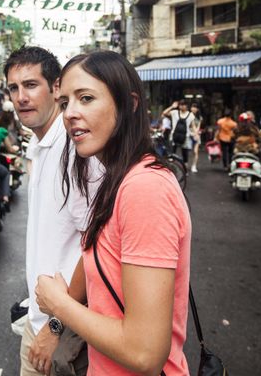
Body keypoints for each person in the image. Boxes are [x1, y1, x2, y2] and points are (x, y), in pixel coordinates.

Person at [36, 50, 191, 375]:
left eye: (86, 98)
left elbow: (145, 352)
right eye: (65, 103)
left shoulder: (144, 189)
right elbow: (95, 256)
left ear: (129, 104)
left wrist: (59, 304)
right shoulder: (120, 179)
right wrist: (55, 322)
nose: (70, 114)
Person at [4, 46, 99, 376]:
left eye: (31, 85)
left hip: (64, 332)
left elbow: (98, 250)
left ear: (56, 88)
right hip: (40, 320)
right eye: (14, 88)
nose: (21, 97)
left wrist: (56, 325)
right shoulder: (39, 146)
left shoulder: (76, 151)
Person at [162, 99, 195, 167]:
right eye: (180, 105)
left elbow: (193, 125)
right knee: (172, 152)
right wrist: (172, 106)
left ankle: (185, 169)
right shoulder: (174, 112)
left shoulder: (191, 115)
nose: (182, 106)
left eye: (183, 105)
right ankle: (171, 167)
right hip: (174, 135)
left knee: (184, 153)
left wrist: (195, 133)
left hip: (185, 137)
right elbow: (164, 113)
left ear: (186, 106)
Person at [189, 103, 203, 173]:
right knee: (188, 151)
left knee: (195, 152)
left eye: (195, 107)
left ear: (197, 109)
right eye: (192, 107)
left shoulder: (199, 117)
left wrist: (196, 134)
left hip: (196, 135)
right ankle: (186, 165)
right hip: (189, 135)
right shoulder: (188, 115)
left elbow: (198, 126)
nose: (194, 109)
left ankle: (194, 165)